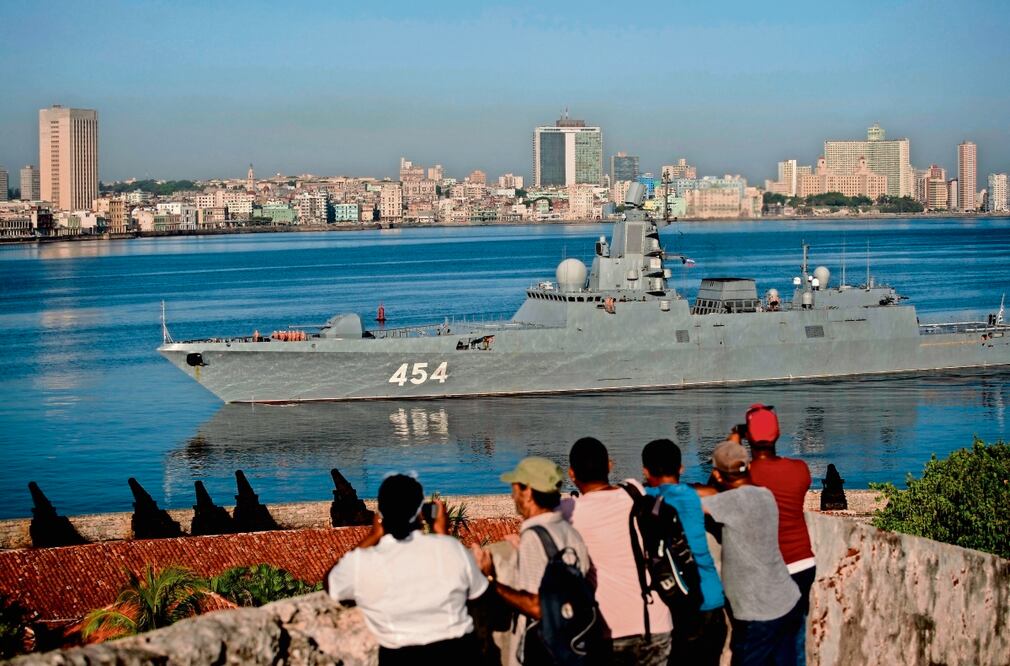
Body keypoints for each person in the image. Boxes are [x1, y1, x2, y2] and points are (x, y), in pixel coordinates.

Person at [325, 474, 488, 664]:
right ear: (421, 513)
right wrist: (442, 534)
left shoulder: (364, 562)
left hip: (400, 657)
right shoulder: (449, 548)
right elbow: (479, 595)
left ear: (381, 514)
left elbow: (331, 582)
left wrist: (373, 535)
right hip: (459, 654)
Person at [559, 437, 673, 665]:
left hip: (609, 630)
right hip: (655, 621)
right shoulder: (634, 490)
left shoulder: (569, 512)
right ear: (610, 465)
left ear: (572, 474)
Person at [471, 456, 591, 666]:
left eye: (516, 486)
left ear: (527, 492)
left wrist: (489, 577)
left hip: (543, 649)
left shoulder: (534, 539)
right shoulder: (570, 532)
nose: (512, 493)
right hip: (572, 643)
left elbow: (536, 607)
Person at [698, 440, 802, 666]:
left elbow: (693, 503)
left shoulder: (729, 503)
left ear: (717, 474)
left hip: (756, 611)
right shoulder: (765, 495)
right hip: (787, 600)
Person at [734, 404, 816, 664]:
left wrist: (733, 442)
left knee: (754, 650)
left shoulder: (742, 476)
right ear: (778, 434)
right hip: (802, 565)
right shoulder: (800, 469)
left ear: (748, 437)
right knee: (792, 643)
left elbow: (719, 486)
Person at [641, 438, 727, 666]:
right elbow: (715, 491)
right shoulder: (692, 496)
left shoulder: (645, 500)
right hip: (710, 598)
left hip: (678, 604)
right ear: (681, 469)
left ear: (646, 471)